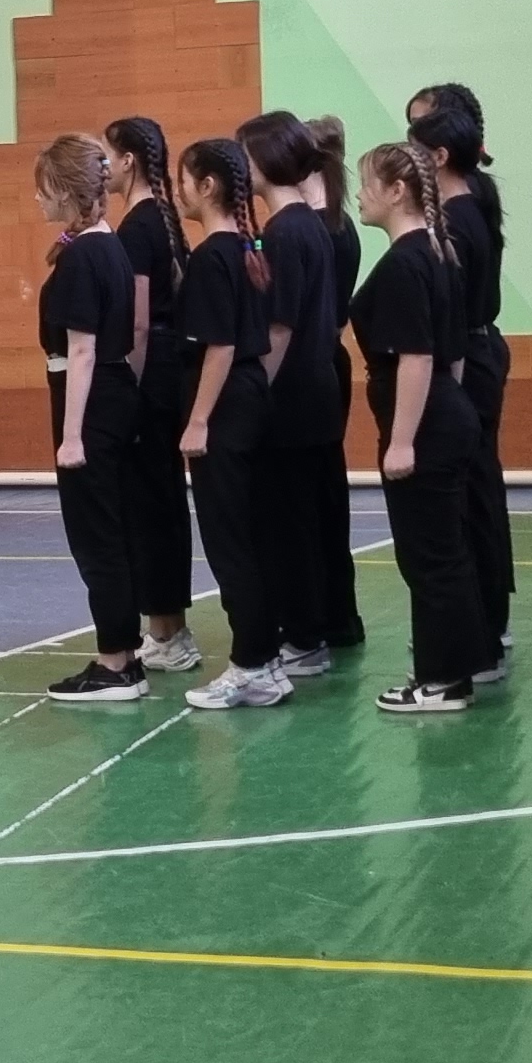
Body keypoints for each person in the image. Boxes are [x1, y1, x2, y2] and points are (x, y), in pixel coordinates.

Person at [352, 140, 494, 712]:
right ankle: (458, 666)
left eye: (366, 184)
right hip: (447, 414)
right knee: (446, 552)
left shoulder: (406, 263)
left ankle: (441, 680)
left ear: (396, 192)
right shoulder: (438, 254)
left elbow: (417, 356)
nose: (359, 195)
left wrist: (404, 440)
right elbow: (451, 357)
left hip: (426, 425)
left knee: (429, 558)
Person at [171, 138, 291, 711]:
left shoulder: (213, 257)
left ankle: (252, 665)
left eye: (184, 180)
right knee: (252, 535)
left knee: (230, 541)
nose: (179, 191)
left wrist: (198, 421)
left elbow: (219, 347)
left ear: (207, 186)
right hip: (249, 398)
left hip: (225, 406)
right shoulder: (246, 250)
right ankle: (265, 659)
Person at [238, 112, 355, 681]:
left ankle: (304, 638)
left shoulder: (286, 232)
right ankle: (320, 627)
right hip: (316, 391)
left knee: (289, 524)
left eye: (245, 157)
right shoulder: (310, 224)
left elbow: (279, 329)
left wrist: (252, 392)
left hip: (292, 399)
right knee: (310, 517)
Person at [34, 134, 146, 702]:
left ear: (65, 190)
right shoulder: (109, 246)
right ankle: (122, 651)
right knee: (112, 530)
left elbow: (81, 350)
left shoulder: (83, 256)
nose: (37, 199)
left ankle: (116, 662)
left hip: (92, 400)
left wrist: (72, 436)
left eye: (43, 188)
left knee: (95, 535)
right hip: (114, 394)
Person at [411, 84, 513, 673]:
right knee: (480, 492)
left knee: (471, 497)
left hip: (470, 359)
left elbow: (450, 309)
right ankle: (487, 623)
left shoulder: (456, 217)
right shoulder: (476, 199)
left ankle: (483, 630)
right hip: (481, 351)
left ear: (441, 153)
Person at [100, 115, 201, 672]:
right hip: (170, 367)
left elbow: (137, 321)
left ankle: (167, 633)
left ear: (129, 160)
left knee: (150, 505)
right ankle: (169, 629)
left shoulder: (138, 227)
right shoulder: (164, 219)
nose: (104, 167)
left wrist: (128, 388)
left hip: (151, 373)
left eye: (108, 155)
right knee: (161, 501)